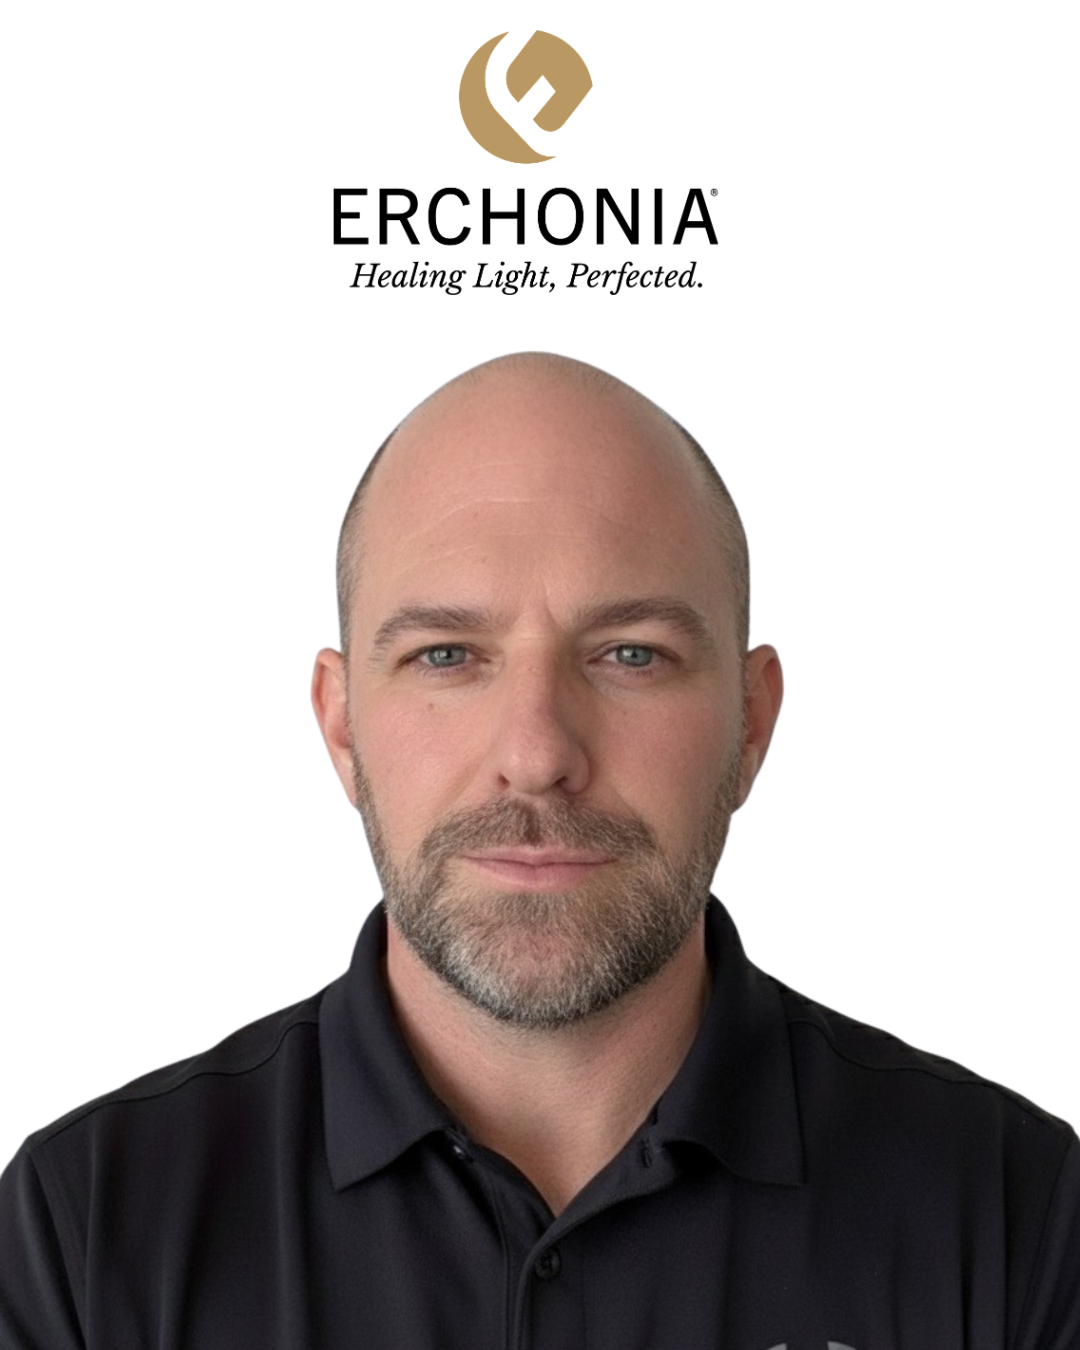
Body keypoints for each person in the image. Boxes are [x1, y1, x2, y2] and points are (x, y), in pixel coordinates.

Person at [1, 352, 1076, 1348]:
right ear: (342, 726)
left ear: (751, 724)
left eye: (630, 654)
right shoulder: (86, 1235)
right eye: (447, 655)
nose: (536, 754)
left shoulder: (1020, 1217)